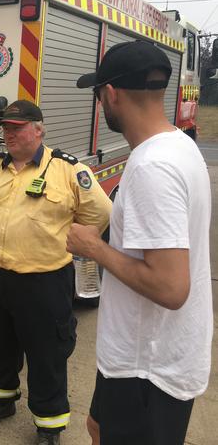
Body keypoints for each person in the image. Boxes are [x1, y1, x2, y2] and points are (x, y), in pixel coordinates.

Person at [69, 40, 213, 445]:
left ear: (110, 94)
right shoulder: (179, 145)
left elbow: (170, 288)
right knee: (97, 427)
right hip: (134, 355)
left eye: (99, 96)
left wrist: (95, 248)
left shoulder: (154, 168)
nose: (100, 106)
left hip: (148, 370)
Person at [0, 100, 112, 445]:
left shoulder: (66, 169)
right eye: (6, 128)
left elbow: (100, 213)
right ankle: (0, 401)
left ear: (39, 129)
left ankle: (49, 425)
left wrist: (70, 240)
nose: (9, 134)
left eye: (17, 128)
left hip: (43, 281)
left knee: (46, 354)